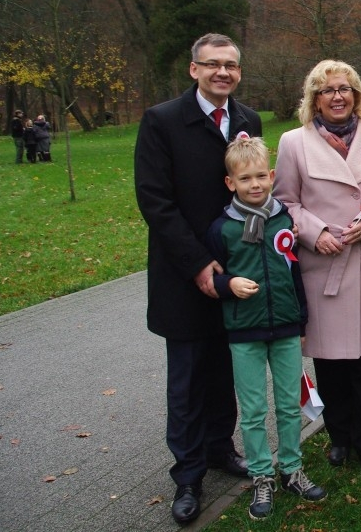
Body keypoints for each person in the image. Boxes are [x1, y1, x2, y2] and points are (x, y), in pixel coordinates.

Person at [135, 33, 260, 525]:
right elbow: (155, 202)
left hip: (235, 274)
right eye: (212, 65)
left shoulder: (246, 121)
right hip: (183, 275)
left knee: (225, 370)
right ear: (194, 70)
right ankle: (187, 475)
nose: (222, 73)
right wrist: (197, 263)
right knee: (187, 380)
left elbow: (253, 193)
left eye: (230, 65)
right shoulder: (162, 121)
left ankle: (218, 449)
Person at [274, 59, 361, 473]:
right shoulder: (293, 143)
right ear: (314, 99)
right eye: (327, 90)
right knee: (331, 363)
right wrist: (315, 233)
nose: (337, 96)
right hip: (325, 265)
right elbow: (285, 203)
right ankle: (339, 437)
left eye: (344, 89)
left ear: (356, 95)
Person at [205, 137, 326, 520]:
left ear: (271, 176)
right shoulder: (222, 229)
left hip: (287, 327)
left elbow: (294, 271)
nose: (255, 185)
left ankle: (292, 468)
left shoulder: (284, 218)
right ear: (231, 183)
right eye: (245, 179)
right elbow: (214, 278)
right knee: (255, 409)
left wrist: (302, 319)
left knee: (290, 404)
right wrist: (229, 286)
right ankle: (261, 474)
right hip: (245, 333)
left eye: (261, 176)